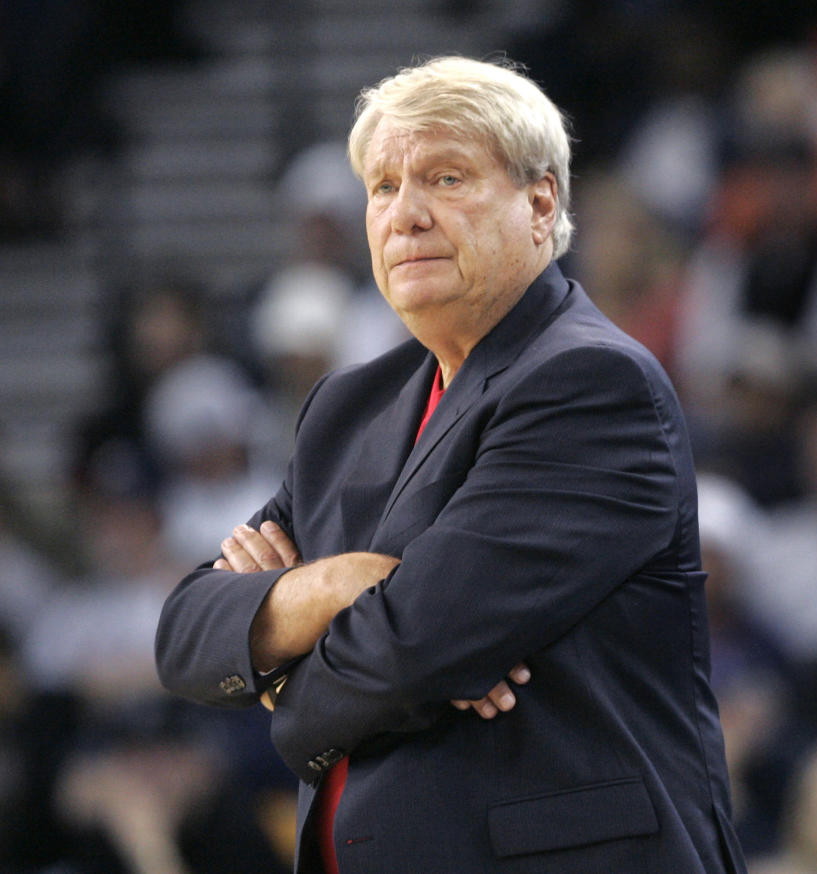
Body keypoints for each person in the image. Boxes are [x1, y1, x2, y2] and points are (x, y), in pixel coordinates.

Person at [155, 55, 746, 874]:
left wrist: (281, 684)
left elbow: (412, 652)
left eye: (445, 178)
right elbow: (185, 633)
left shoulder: (590, 383)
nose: (406, 214)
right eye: (384, 186)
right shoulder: (344, 409)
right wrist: (333, 586)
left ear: (540, 204)